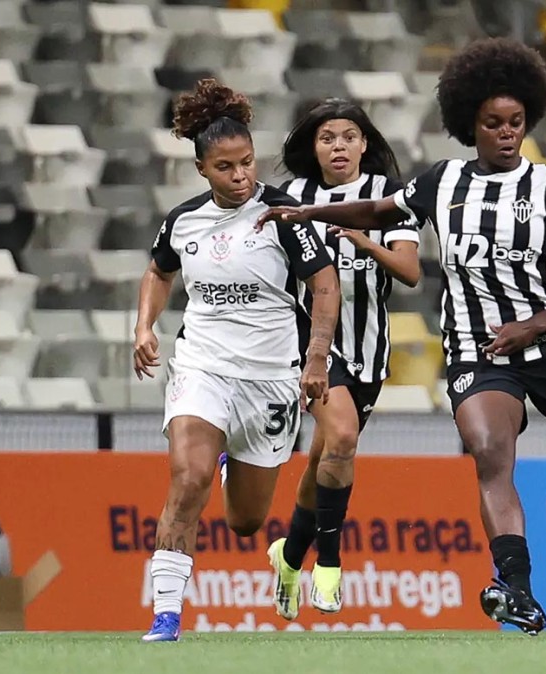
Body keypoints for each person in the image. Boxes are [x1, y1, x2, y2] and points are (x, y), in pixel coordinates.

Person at [257, 38, 546, 636]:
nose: (507, 134)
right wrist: (309, 214)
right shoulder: (443, 181)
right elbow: (379, 211)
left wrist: (532, 325)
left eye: (516, 122)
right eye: (493, 123)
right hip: (478, 353)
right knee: (488, 452)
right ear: (469, 124)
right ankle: (516, 588)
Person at [132, 79, 340, 643]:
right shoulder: (183, 221)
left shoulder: (282, 215)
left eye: (247, 162)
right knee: (188, 478)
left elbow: (325, 286)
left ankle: (231, 462)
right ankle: (166, 615)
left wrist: (316, 359)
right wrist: (145, 325)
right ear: (202, 168)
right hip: (202, 365)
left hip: (270, 379)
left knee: (246, 521)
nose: (241, 175)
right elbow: (158, 271)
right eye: (225, 167)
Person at [259, 98, 421, 620]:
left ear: (364, 143)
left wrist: (363, 242)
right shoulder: (291, 199)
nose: (339, 147)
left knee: (327, 455)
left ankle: (288, 556)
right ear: (313, 146)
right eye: (327, 137)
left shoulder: (388, 197)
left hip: (369, 348)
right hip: (310, 345)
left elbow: (410, 272)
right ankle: (328, 564)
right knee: (344, 437)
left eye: (349, 136)